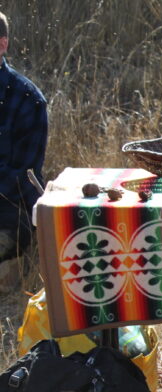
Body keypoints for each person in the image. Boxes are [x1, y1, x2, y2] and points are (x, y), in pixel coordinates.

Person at [0, 10, 46, 263]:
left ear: (2, 44)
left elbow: (22, 178)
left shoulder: (28, 99)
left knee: (15, 228)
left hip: (9, 208)